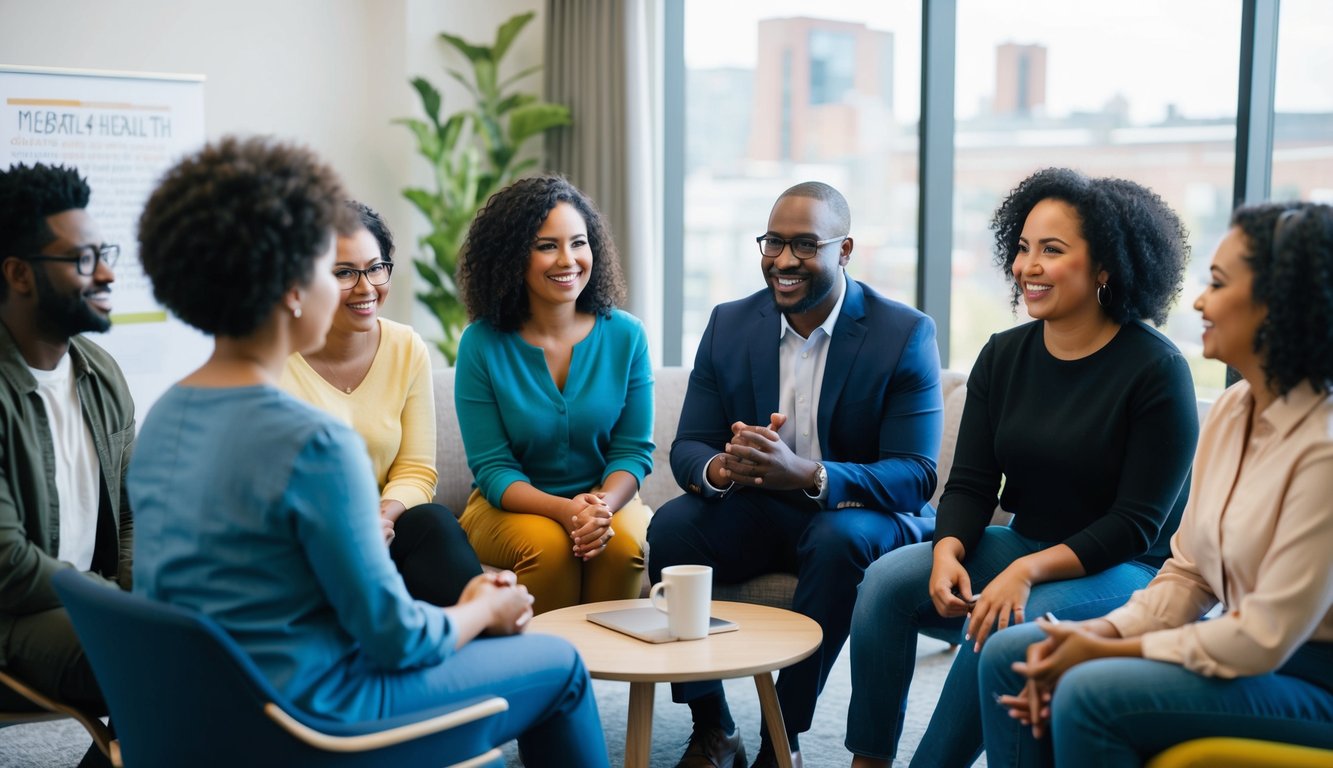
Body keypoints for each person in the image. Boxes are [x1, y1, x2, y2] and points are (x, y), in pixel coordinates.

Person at [129, 137, 608, 766]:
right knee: (561, 664)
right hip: (315, 719)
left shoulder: (165, 415)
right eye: (333, 268)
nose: (359, 288)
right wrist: (479, 608)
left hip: (200, 716)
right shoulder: (312, 442)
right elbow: (398, 641)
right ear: (293, 286)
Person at [845, 168, 1199, 768]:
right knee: (884, 582)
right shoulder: (1004, 354)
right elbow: (973, 482)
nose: (1027, 266)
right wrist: (949, 548)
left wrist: (1027, 572)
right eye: (1024, 247)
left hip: (1127, 567)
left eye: (1052, 251)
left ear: (1106, 267)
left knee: (1005, 630)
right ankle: (868, 759)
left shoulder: (1157, 371)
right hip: (1029, 542)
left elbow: (1136, 525)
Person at [979, 201, 1333, 767]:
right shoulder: (1234, 408)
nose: (1198, 301)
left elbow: (1264, 636)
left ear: (1279, 304)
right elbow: (1190, 573)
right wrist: (1103, 631)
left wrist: (1107, 649)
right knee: (1017, 653)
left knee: (1089, 694)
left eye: (1216, 284)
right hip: (1245, 649)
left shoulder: (1324, 450)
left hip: (1314, 682)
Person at [648, 181, 943, 768]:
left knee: (839, 542)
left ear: (846, 249)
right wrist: (721, 466)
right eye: (774, 243)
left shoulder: (902, 333)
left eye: (805, 245)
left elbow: (916, 474)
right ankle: (713, 724)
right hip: (759, 504)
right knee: (673, 527)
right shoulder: (729, 323)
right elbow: (688, 446)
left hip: (860, 515)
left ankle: (780, 738)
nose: (784, 260)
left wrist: (809, 475)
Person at [453, 175, 653, 616]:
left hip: (608, 499)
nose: (568, 260)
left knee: (621, 545)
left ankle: (600, 677)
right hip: (507, 506)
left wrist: (600, 507)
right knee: (549, 546)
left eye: (578, 243)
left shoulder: (626, 335)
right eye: (547, 246)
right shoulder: (481, 344)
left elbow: (633, 451)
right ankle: (543, 673)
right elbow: (493, 468)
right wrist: (564, 511)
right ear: (511, 256)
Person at [281, 200, 481, 606]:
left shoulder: (405, 346)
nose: (366, 287)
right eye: (344, 273)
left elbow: (416, 471)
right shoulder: (273, 360)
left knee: (434, 523)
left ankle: (483, 642)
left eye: (376, 267)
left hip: (386, 528)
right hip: (308, 537)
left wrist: (382, 517)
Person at [0, 162, 132, 768]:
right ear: (19, 274)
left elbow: (130, 520)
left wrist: (146, 594)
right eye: (81, 259)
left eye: (103, 252)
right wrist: (121, 603)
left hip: (85, 608)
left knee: (228, 634)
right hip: (13, 619)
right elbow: (7, 565)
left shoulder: (100, 373)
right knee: (168, 658)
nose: (105, 272)